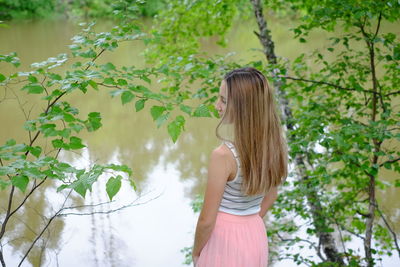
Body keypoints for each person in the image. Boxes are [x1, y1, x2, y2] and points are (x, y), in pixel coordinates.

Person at [192, 67, 288, 267]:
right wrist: (246, 222)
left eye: (224, 100)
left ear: (244, 107)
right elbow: (271, 195)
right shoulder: (273, 146)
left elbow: (206, 221)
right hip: (254, 234)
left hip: (223, 240)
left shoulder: (223, 156)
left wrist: (196, 253)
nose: (217, 105)